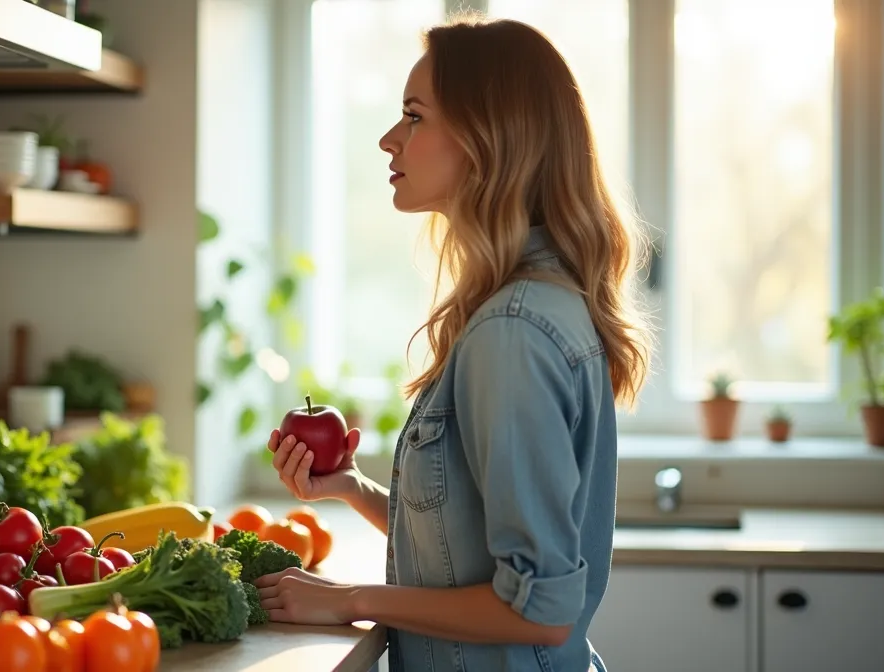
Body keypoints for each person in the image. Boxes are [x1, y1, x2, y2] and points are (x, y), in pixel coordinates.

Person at [255, 13, 655, 672]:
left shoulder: (511, 333)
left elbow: (539, 610)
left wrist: (350, 599)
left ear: (487, 141)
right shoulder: (524, 308)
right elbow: (466, 553)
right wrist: (352, 489)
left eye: (414, 116)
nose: (389, 140)